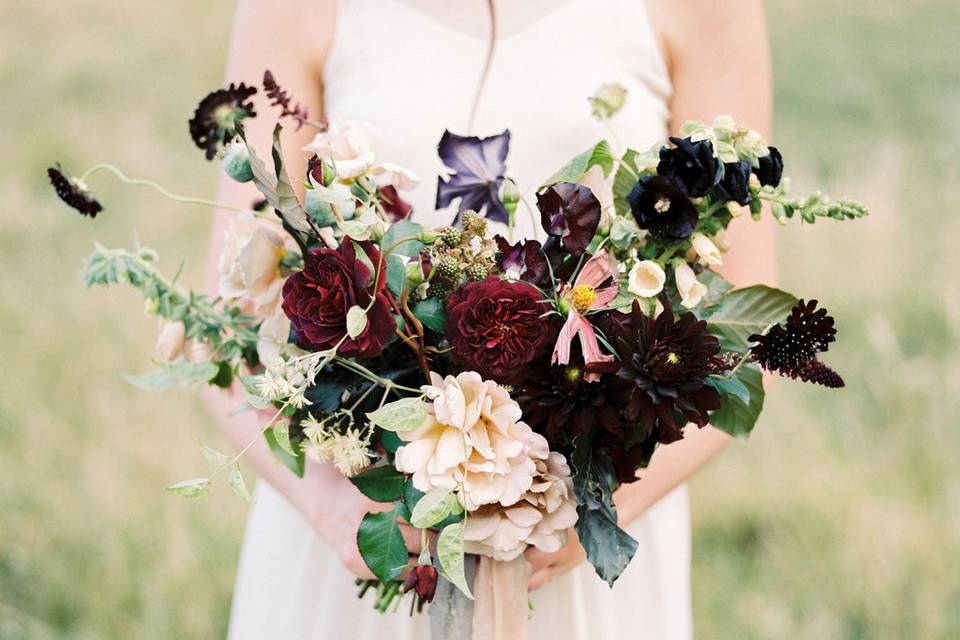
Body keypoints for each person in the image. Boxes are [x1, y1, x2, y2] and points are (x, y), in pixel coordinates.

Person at [203, 1, 776, 637]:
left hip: (583, 548)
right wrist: (335, 509)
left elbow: (747, 333)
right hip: (362, 538)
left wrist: (590, 514)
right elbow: (228, 316)